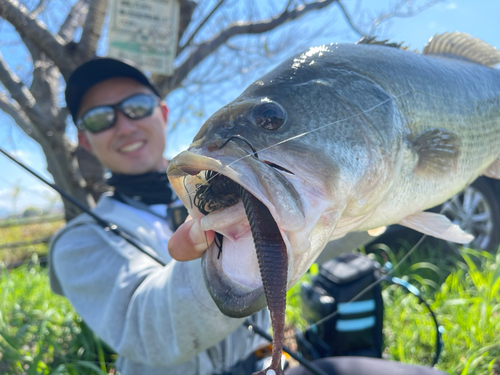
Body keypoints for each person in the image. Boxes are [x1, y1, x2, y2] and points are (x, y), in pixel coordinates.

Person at [48, 58, 269, 375]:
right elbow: (149, 330)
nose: (125, 126)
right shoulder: (77, 242)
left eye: (137, 106)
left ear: (163, 114)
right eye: (99, 118)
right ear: (85, 140)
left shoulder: (232, 180)